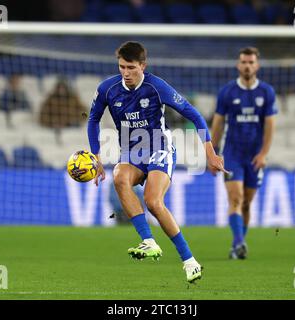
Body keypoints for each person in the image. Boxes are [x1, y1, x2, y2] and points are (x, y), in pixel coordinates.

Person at [87, 41, 227, 283]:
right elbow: (93, 120)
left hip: (160, 147)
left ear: (143, 65)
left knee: (153, 201)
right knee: (119, 176)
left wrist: (210, 152)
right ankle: (148, 241)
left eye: (131, 67)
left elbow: (193, 114)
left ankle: (189, 261)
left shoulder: (156, 87)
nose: (126, 73)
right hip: (132, 151)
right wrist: (96, 156)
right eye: (121, 67)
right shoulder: (107, 89)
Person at [210, 47, 278, 260]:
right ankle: (239, 243)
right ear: (238, 65)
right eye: (243, 62)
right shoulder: (227, 92)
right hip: (232, 154)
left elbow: (269, 125)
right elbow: (218, 123)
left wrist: (264, 153)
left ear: (257, 65)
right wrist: (213, 153)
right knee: (236, 198)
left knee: (247, 203)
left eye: (251, 62)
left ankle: (237, 244)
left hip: (254, 156)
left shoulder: (266, 92)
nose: (247, 66)